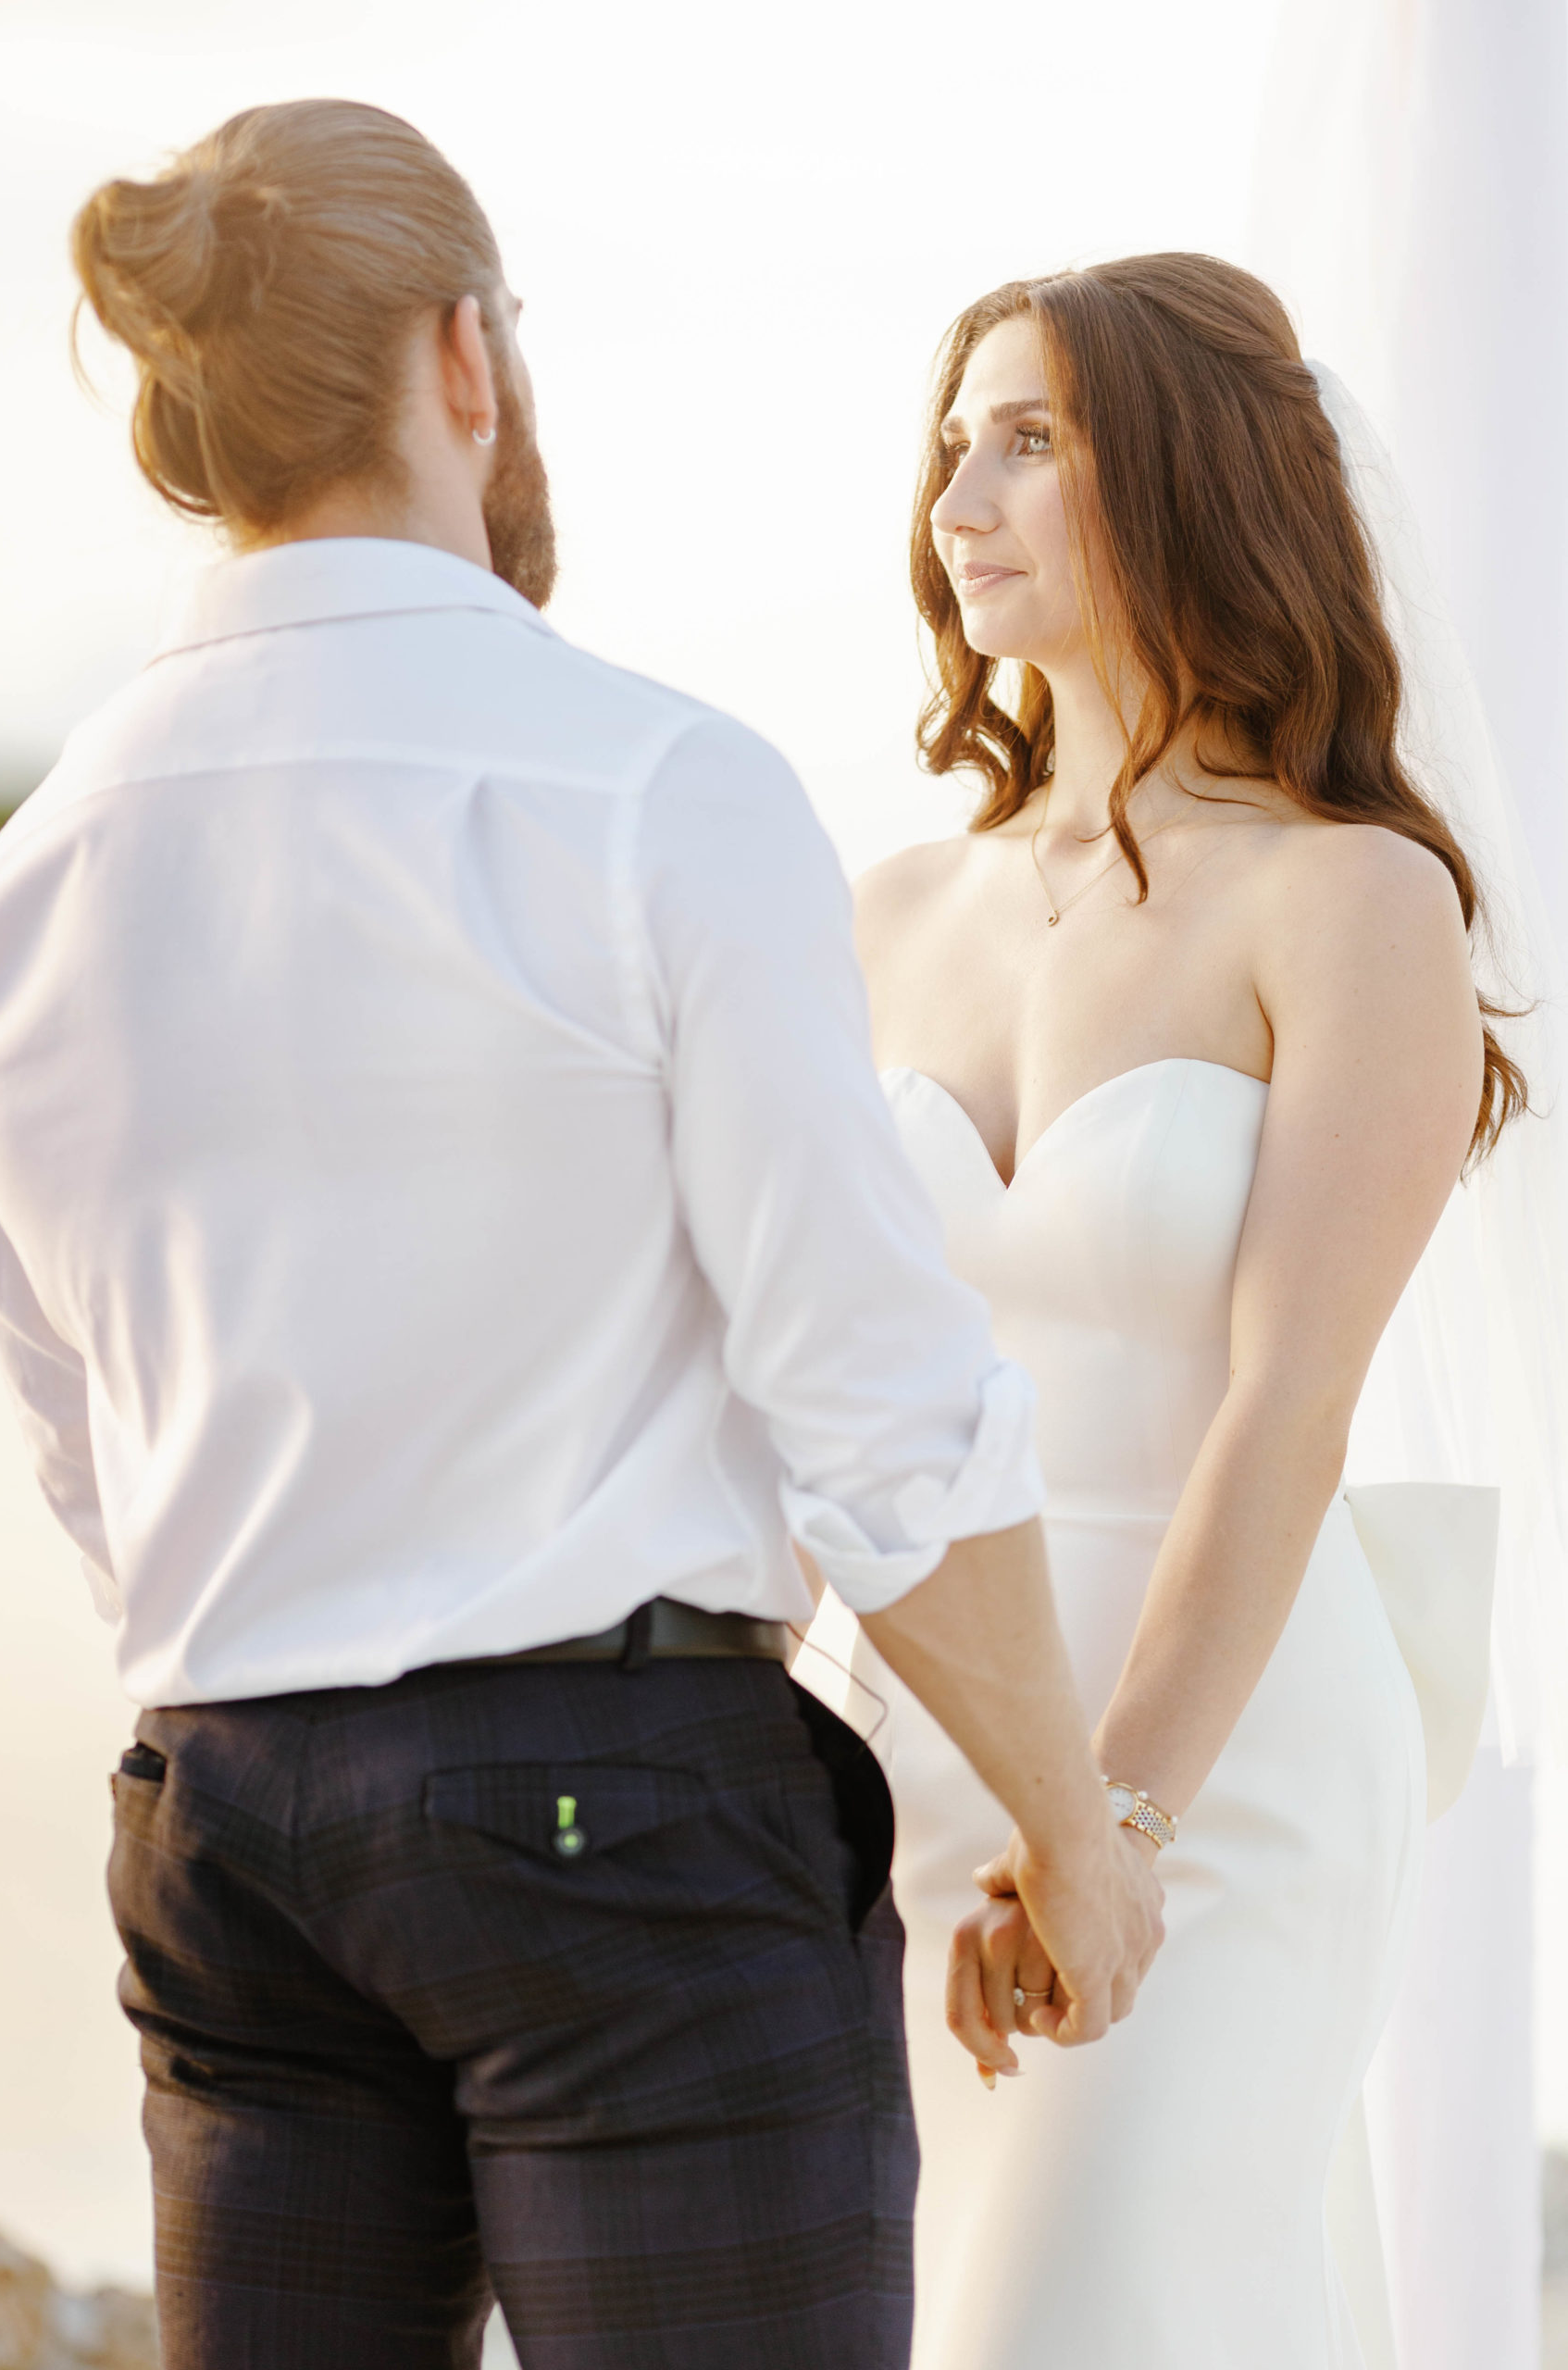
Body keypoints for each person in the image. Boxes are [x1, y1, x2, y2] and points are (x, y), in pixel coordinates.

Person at [0, 104, 1163, 2370]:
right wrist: (1070, 1823)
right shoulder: (646, 787)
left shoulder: (33, 885)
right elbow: (872, 1400)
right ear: (462, 357)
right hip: (611, 1815)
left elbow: (78, 1433)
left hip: (221, 1816)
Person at [849, 256, 1524, 2369]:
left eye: (1028, 439)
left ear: (1186, 477)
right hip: (907, 1755)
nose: (961, 495)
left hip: (1209, 1770)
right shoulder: (884, 910)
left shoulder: (1351, 901)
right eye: (953, 441)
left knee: (1085, 2319)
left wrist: (1109, 1818)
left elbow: (1283, 1407)